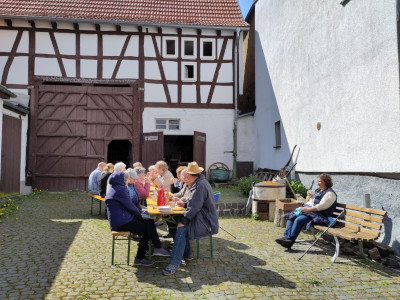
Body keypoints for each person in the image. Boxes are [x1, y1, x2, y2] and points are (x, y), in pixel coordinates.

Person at [162, 162, 219, 276]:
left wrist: (184, 221)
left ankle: (174, 263)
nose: (185, 176)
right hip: (199, 216)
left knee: (181, 229)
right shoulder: (197, 182)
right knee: (177, 225)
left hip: (205, 221)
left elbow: (195, 207)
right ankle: (187, 254)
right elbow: (192, 202)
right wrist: (183, 204)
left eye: (187, 174)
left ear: (193, 175)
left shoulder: (200, 185)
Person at [105, 171, 170, 267]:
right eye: (126, 179)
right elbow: (130, 206)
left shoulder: (116, 188)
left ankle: (157, 247)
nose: (127, 181)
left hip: (122, 219)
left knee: (149, 221)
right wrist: (140, 216)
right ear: (123, 180)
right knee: (147, 230)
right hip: (121, 222)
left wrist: (142, 216)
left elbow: (129, 207)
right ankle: (140, 257)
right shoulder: (120, 190)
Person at [275, 173, 337, 249]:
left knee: (299, 219)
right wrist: (308, 196)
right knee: (291, 217)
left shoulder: (330, 194)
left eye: (320, 181)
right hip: (312, 212)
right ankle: (286, 238)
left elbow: (321, 206)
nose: (317, 183)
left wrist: (307, 209)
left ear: (326, 182)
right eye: (318, 181)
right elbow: (309, 202)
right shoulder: (318, 191)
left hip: (321, 215)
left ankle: (290, 241)